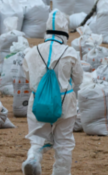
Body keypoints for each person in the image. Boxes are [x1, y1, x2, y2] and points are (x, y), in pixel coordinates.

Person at [22, 11, 84, 175]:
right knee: (63, 142)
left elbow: (28, 75)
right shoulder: (70, 53)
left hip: (38, 101)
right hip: (65, 103)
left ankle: (33, 158)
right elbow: (78, 79)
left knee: (37, 138)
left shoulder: (32, 51)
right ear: (65, 33)